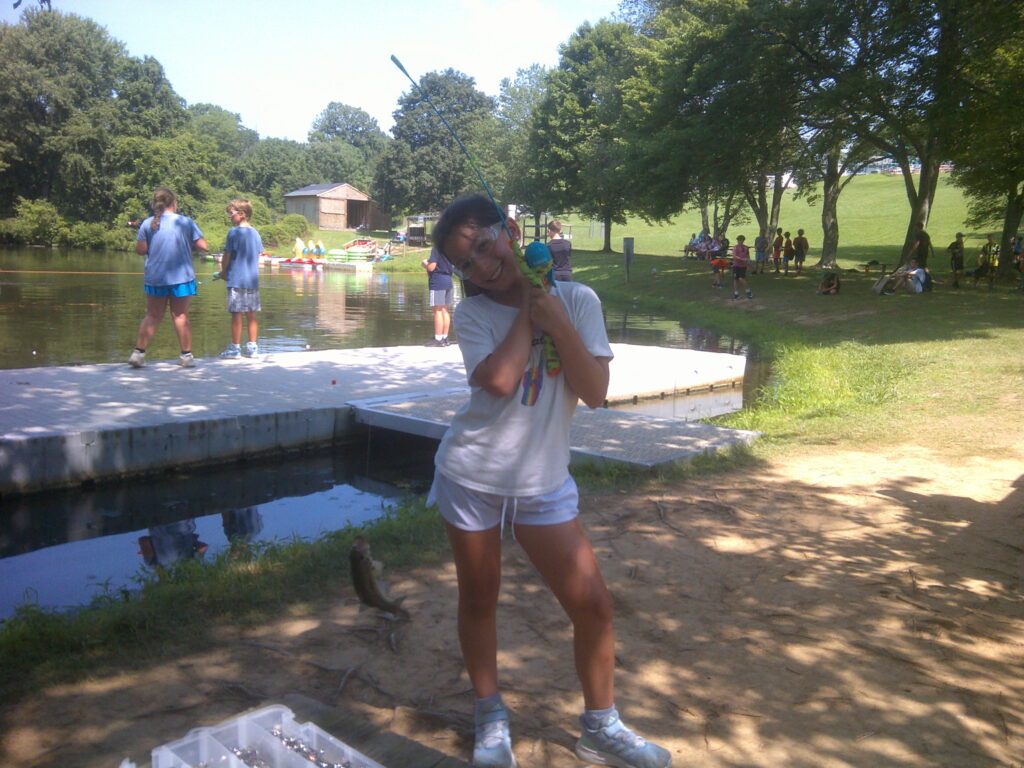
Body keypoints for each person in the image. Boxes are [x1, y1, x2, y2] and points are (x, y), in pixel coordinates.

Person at [427, 194, 671, 768]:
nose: (482, 266)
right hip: (472, 474)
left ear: (510, 231)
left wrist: (557, 320)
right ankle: (490, 718)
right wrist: (527, 313)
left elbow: (596, 392)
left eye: (485, 245)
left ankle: (600, 728)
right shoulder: (472, 315)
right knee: (479, 599)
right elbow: (499, 381)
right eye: (466, 264)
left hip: (543, 483)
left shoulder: (579, 300)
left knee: (593, 605)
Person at [129, 187, 207, 368]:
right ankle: (186, 356)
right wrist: (186, 245)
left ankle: (138, 353)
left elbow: (140, 250)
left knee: (153, 315)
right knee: (180, 315)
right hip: (182, 277)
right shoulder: (186, 222)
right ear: (174, 202)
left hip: (156, 277)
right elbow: (203, 246)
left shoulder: (147, 223)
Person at [218, 200, 263, 359]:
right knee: (251, 314)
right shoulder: (256, 233)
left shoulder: (233, 233)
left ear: (242, 214)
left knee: (236, 314)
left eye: (231, 213)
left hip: (236, 279)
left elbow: (227, 256)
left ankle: (235, 349)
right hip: (252, 280)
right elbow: (256, 255)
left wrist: (223, 272)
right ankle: (252, 348)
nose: (229, 216)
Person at [422, 245, 454, 346]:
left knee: (437, 311)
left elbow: (431, 267)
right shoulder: (450, 248)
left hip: (438, 282)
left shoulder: (437, 248)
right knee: (445, 310)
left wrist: (425, 264)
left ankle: (438, 339)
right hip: (448, 281)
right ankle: (445, 338)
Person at [731, 235, 753, 300]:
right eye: (739, 240)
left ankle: (748, 291)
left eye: (741, 240)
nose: (740, 241)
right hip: (736, 265)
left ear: (743, 240)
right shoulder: (735, 247)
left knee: (741, 278)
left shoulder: (746, 247)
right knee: (735, 279)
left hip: (743, 266)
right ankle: (736, 294)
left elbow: (748, 255)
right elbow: (734, 256)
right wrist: (742, 259)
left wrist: (748, 261)